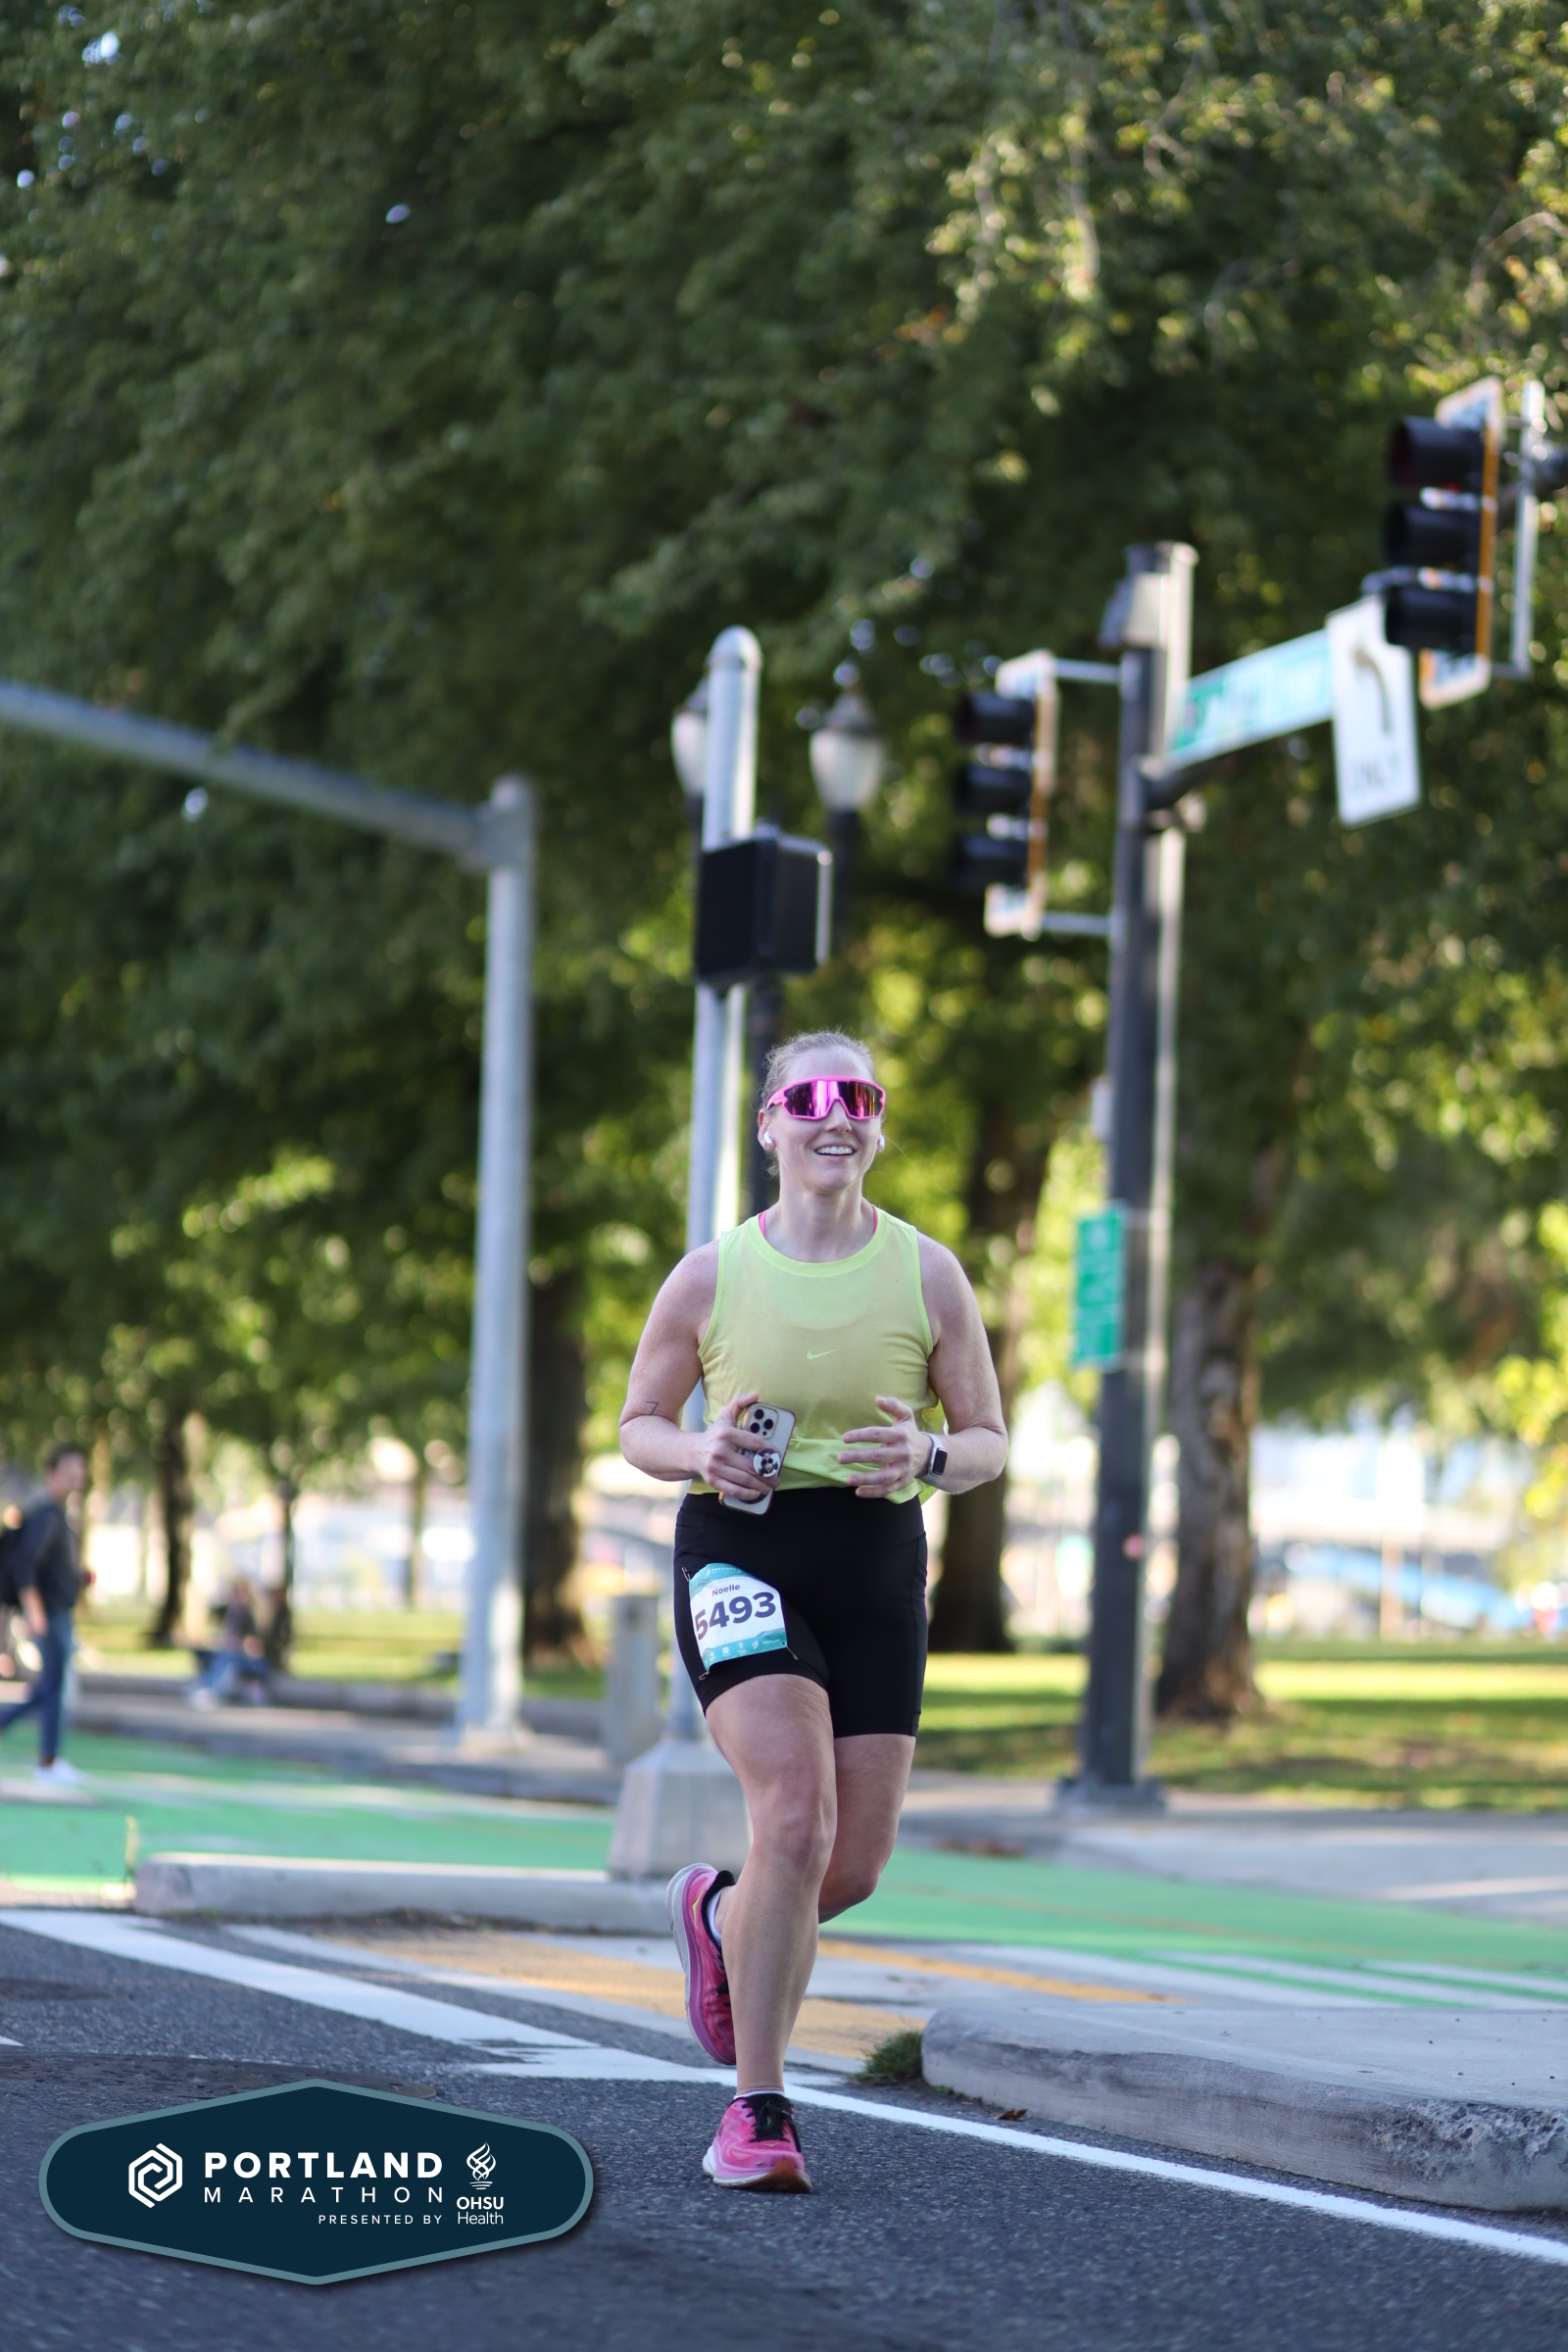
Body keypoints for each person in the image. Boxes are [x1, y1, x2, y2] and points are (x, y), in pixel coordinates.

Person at [619, 1029, 1007, 2191]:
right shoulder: (711, 1275)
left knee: (851, 1862)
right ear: (769, 1128)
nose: (835, 1114)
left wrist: (928, 1455)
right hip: (741, 1549)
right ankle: (758, 2110)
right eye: (808, 1097)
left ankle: (718, 1915)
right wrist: (697, 1450)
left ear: (877, 1127)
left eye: (859, 1096)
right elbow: (638, 1424)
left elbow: (987, 1441)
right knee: (794, 1814)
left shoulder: (928, 1273)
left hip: (877, 1556)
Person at [0, 1442, 90, 1786]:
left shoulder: (60, 1516)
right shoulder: (47, 1515)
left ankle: (11, 1726)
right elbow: (25, 1563)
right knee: (56, 1688)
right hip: (49, 1615)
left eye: (80, 1470)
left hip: (59, 1612)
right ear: (51, 1473)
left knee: (52, 1686)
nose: (76, 1477)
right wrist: (34, 1609)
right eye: (69, 1470)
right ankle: (49, 1761)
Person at [188, 1577, 270, 1708]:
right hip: (231, 1650)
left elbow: (255, 1644)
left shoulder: (251, 1615)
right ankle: (204, 1685)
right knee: (206, 1653)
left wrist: (239, 1644)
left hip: (249, 1657)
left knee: (226, 1657)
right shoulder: (229, 1612)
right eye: (236, 1592)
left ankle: (212, 1690)